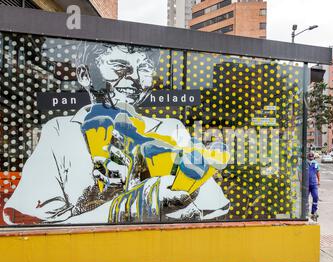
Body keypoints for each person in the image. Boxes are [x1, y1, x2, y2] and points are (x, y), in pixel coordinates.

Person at [3, 42, 230, 225]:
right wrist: (135, 203)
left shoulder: (171, 128)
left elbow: (214, 207)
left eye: (144, 69)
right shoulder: (61, 130)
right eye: (119, 66)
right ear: (84, 75)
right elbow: (30, 222)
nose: (135, 78)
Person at [307, 152, 320, 221]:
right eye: (309, 158)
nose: (311, 159)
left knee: (315, 197)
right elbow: (300, 173)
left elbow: (317, 172)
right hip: (306, 184)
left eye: (312, 158)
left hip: (313, 184)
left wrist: (319, 181)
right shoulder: (305, 164)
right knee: (305, 198)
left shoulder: (315, 164)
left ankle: (313, 211)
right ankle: (306, 211)